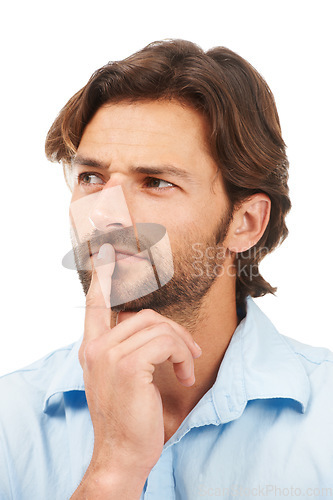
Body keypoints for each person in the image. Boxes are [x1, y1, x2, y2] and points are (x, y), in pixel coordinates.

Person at [1, 39, 332, 500]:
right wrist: (112, 470)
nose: (104, 215)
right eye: (91, 177)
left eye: (156, 182)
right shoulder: (9, 422)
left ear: (246, 222)